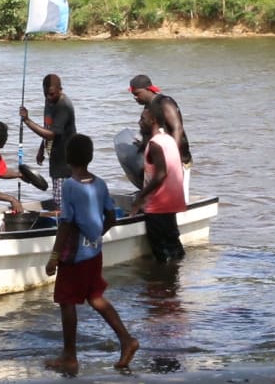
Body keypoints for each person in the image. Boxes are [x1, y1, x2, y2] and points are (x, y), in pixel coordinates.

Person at [44, 135, 139, 375]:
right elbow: (111, 217)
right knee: (95, 297)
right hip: (94, 252)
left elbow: (65, 225)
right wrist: (95, 235)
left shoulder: (69, 186)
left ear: (68, 157)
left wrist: (54, 257)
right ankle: (126, 340)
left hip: (74, 255)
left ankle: (69, 357)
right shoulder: (100, 183)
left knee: (67, 302)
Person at [132, 100, 187, 262]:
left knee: (161, 253)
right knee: (175, 246)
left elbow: (161, 174)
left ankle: (163, 284)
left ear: (153, 120)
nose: (139, 122)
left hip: (157, 207)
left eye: (143, 118)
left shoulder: (155, 144)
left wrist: (140, 197)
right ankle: (174, 281)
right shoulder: (169, 140)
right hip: (171, 204)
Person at [19, 73, 77, 209]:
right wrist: (41, 149)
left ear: (60, 89)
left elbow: (51, 134)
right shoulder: (50, 101)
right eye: (46, 94)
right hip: (55, 156)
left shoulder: (63, 106)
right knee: (60, 195)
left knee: (61, 203)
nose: (48, 98)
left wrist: (27, 120)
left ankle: (63, 224)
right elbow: (48, 126)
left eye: (51, 94)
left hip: (66, 160)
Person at [129, 74, 193, 167]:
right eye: (133, 94)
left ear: (148, 89)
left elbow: (177, 128)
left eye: (137, 93)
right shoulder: (149, 105)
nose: (135, 97)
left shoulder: (165, 103)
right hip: (159, 159)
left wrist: (170, 156)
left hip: (177, 160)